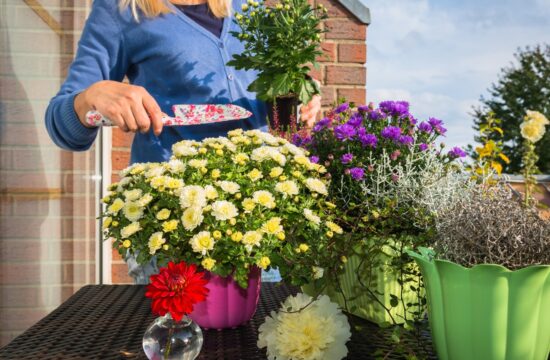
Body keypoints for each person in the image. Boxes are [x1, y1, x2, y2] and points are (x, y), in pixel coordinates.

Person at [45, 0, 321, 283]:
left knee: (264, 324)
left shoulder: (248, 7)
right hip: (175, 228)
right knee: (180, 327)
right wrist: (91, 96)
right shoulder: (122, 11)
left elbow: (271, 100)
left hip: (257, 222)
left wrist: (300, 95)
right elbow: (61, 125)